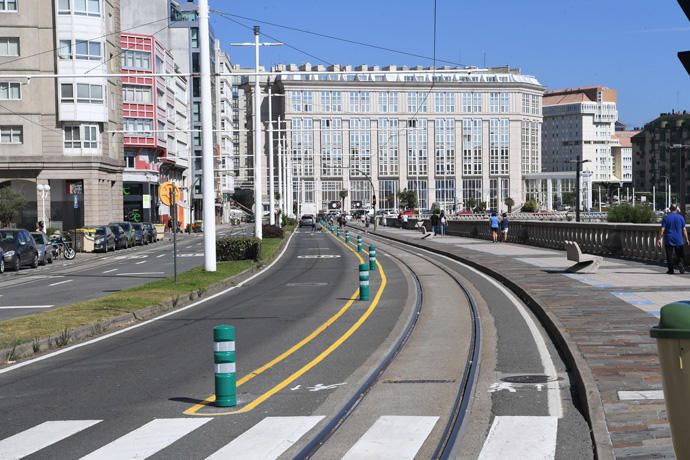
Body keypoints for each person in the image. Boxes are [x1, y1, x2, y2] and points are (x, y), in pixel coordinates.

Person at [657, 204, 689, 274]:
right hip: (679, 239)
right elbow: (684, 230)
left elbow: (662, 230)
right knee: (680, 255)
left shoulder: (666, 218)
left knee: (669, 256)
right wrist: (687, 239)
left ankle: (671, 270)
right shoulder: (681, 218)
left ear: (670, 209)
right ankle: (681, 266)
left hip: (669, 239)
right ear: (676, 209)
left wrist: (659, 239)